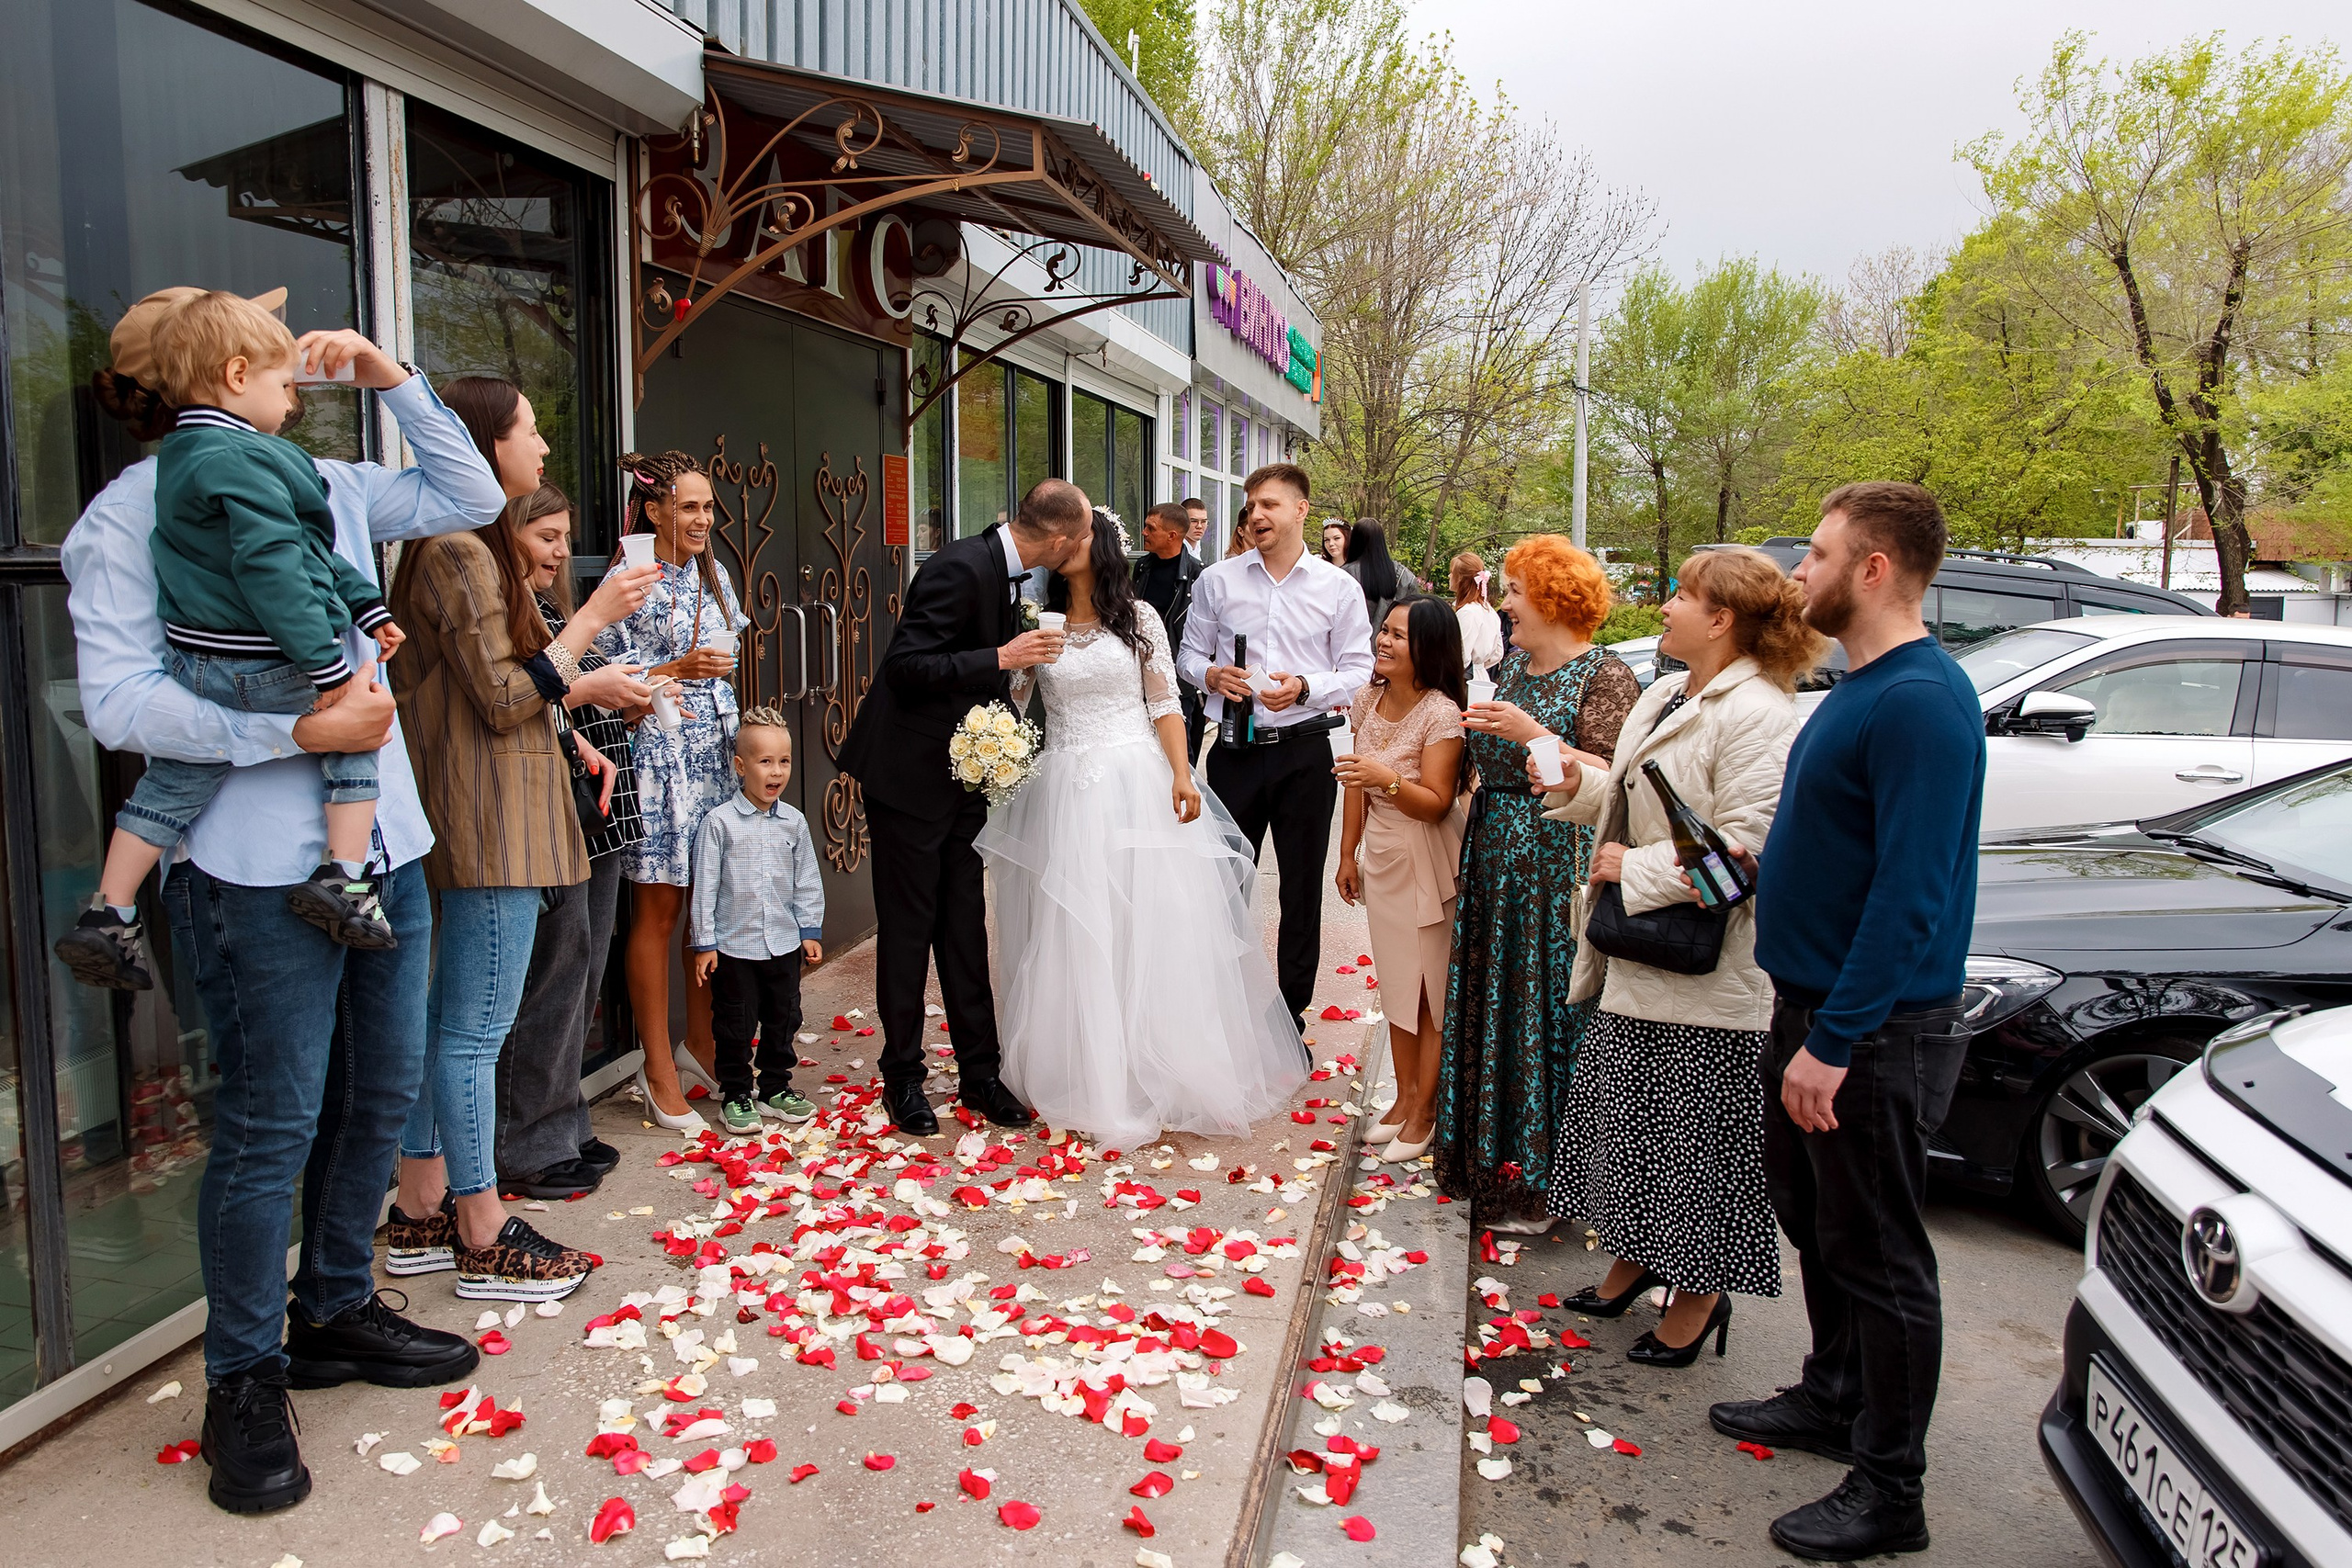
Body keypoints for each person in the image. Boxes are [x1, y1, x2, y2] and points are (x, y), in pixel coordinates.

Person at [63, 296, 503, 1514]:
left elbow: (467, 493)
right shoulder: (127, 517)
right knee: (270, 1125)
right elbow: (120, 706)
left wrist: (391, 374)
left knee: (377, 1092)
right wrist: (289, 728)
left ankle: (335, 1308)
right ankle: (243, 1375)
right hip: (253, 870)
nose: (289, 370)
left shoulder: (322, 478)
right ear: (207, 369)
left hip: (387, 849)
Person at [1711, 482, 1984, 1562]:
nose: (1798, 577)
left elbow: (1911, 890)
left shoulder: (1920, 700)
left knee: (1880, 1254)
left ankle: (1890, 1490)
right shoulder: (1863, 688)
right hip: (1811, 1003)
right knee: (1813, 1213)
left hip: (1864, 1027)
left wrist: (1835, 1040)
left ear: (1873, 568)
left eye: (1816, 556)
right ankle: (1833, 1394)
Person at [57, 291, 404, 990]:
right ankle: (345, 875)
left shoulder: (187, 462)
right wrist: (333, 672)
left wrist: (367, 607)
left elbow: (312, 547)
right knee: (359, 735)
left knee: (170, 783)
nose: (296, 395)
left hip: (199, 664)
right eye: (284, 381)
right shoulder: (246, 462)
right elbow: (279, 566)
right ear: (235, 374)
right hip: (264, 680)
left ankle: (109, 909)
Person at [1541, 547, 1821, 1369]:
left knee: (1693, 1143)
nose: (1665, 606)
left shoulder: (1761, 715)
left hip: (1707, 972)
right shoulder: (1667, 691)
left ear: (1723, 618)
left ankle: (1698, 1296)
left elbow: (1748, 856)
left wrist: (1637, 869)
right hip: (1635, 955)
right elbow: (1633, 799)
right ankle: (1635, 1258)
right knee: (1632, 1129)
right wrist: (1570, 783)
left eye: (1682, 595)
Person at [384, 425, 639, 1303]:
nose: (541, 444)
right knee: (473, 1028)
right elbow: (500, 694)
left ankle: (421, 1202)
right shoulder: (457, 549)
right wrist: (598, 620)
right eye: (529, 430)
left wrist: (571, 731)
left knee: (453, 1021)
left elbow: (512, 683)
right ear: (486, 448)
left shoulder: (472, 547)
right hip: (486, 819)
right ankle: (481, 1226)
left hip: (505, 810)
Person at [978, 510, 1306, 1145]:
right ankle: (1088, 1068)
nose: (1065, 547)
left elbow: (1163, 705)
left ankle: (1155, 1063)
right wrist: (1004, 711)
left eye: (1077, 537)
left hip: (1134, 783)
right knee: (1074, 925)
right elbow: (1016, 704)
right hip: (1064, 788)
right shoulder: (1036, 622)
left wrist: (1183, 775)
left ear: (1097, 547)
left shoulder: (1139, 618)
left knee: (1145, 925)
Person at [838, 478, 1093, 1135]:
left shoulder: (1012, 577)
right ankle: (902, 1079)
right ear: (1059, 538)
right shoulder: (958, 564)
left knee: (962, 926)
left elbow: (971, 670)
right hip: (907, 778)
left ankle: (981, 1076)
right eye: (1084, 535)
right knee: (907, 931)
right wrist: (1000, 655)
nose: (1085, 546)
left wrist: (1011, 678)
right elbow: (906, 666)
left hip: (963, 777)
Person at [1437, 536, 1638, 1229]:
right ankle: (1494, 1168)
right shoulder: (1516, 666)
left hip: (1557, 867)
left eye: (1517, 591)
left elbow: (1613, 784)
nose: (1505, 605)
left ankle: (1551, 1184)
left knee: (1543, 1012)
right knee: (1499, 1005)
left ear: (1553, 597)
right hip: (1496, 858)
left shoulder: (1604, 676)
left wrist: (1531, 736)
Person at [482, 479, 656, 1199]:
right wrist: (591, 689)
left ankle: (562, 1121)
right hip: (547, 808)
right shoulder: (504, 607)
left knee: (580, 972)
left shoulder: (550, 603)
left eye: (563, 536)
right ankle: (526, 1142)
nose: (560, 549)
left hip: (594, 796)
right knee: (548, 976)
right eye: (545, 536)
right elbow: (527, 694)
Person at [1178, 463, 1374, 1040]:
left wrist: (1308, 688)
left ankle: (1289, 1017)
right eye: (1251, 506)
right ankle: (1227, 1009)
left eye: (1269, 505)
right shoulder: (1218, 580)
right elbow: (1187, 657)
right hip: (1234, 753)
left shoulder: (1338, 588)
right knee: (1227, 884)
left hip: (1304, 754)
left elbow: (1359, 671)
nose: (1257, 516)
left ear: (1301, 510)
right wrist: (1211, 675)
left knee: (1300, 887)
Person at [592, 452, 748, 1128]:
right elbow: (597, 675)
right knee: (659, 911)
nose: (701, 519)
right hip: (658, 756)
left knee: (706, 906)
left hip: (713, 749)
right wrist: (677, 666)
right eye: (688, 506)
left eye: (708, 507)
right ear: (654, 509)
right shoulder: (628, 577)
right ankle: (655, 1069)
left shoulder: (713, 575)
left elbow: (731, 650)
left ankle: (703, 1046)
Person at [1334, 597, 1467, 1162]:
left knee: (1428, 988)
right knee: (1395, 982)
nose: (1384, 641)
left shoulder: (1441, 712)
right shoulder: (1368, 698)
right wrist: (1346, 853)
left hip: (1426, 850)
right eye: (1383, 630)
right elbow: (1353, 784)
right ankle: (1406, 1094)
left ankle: (1426, 1109)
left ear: (1428, 649)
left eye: (1399, 635)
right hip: (1383, 855)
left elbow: (1436, 804)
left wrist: (1386, 778)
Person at [689, 708, 824, 1136]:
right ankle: (735, 1093)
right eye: (765, 761)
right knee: (734, 1023)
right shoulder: (719, 824)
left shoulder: (794, 822)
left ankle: (774, 1087)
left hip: (783, 944)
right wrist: (704, 943)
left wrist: (810, 931)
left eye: (784, 761)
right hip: (734, 947)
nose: (777, 771)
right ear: (740, 766)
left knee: (784, 1017)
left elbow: (807, 881)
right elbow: (705, 887)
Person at [1134, 501, 1206, 761]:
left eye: (1150, 528)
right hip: (1139, 677)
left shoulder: (1198, 575)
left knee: (1179, 755)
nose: (1144, 532)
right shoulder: (1142, 567)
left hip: (1179, 683)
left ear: (1172, 535)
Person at [1342, 520, 1421, 631]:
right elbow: (1415, 617)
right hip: (1393, 644)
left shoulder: (1343, 575)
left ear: (1354, 540)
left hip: (1354, 645)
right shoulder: (1405, 576)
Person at [1451, 551, 1505, 675]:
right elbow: (1498, 653)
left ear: (1459, 578)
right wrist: (1480, 666)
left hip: (1465, 679)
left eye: (1452, 573)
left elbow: (1460, 656)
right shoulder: (1488, 609)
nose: (1449, 576)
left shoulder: (1467, 612)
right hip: (1481, 675)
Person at [1182, 496, 1209, 561]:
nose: (1199, 526)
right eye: (1194, 521)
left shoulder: (1198, 547)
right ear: (1181, 522)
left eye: (1203, 521)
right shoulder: (1175, 553)